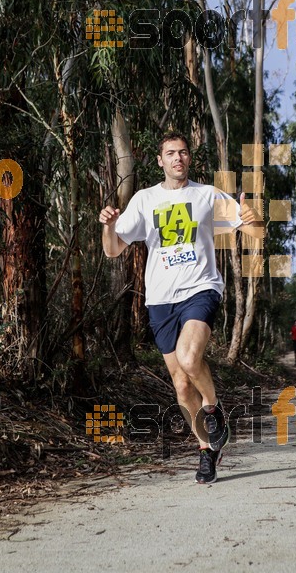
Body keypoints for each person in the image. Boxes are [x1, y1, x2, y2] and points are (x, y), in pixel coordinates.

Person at [99, 131, 264, 484]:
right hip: (160, 300)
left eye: (183, 152)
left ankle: (214, 408)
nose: (178, 158)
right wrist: (109, 226)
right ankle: (207, 450)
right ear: (160, 161)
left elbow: (256, 233)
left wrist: (252, 219)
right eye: (171, 153)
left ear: (189, 159)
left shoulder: (206, 195)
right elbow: (113, 249)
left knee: (191, 360)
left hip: (200, 289)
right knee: (181, 386)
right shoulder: (145, 200)